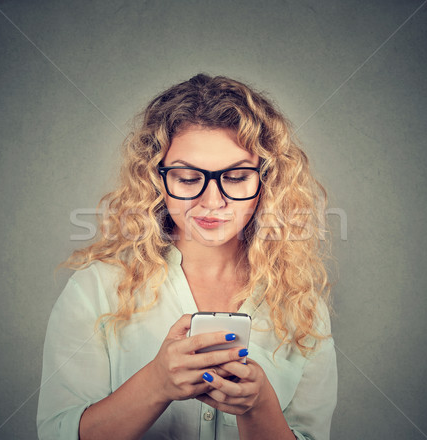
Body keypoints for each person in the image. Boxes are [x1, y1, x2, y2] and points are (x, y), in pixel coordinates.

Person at [36, 73, 337, 440]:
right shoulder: (95, 290)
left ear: (266, 182)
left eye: (238, 177)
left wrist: (259, 408)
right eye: (188, 177)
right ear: (157, 179)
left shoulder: (301, 306)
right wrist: (155, 385)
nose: (212, 202)